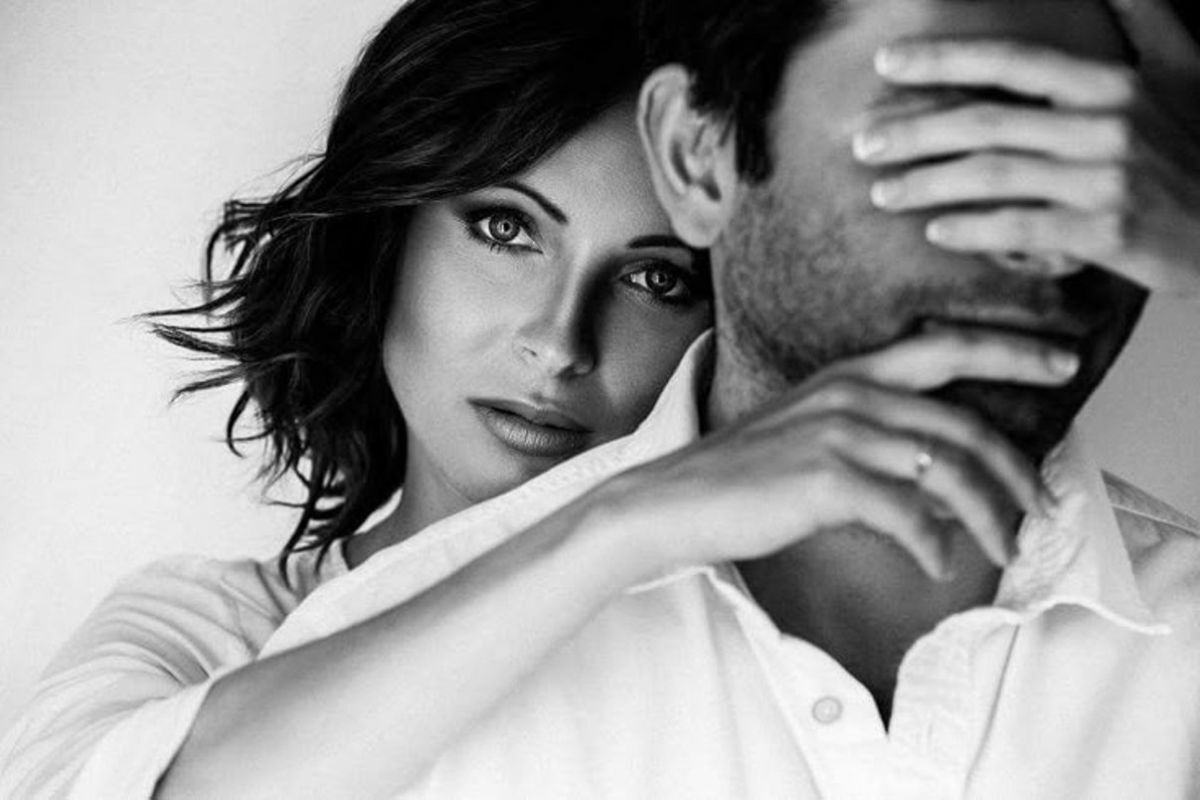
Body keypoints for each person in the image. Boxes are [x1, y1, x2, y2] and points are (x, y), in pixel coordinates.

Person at [2, 1, 1194, 800]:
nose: (558, 344)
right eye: (504, 227)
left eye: (655, 278)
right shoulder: (240, 642)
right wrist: (625, 520)